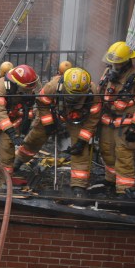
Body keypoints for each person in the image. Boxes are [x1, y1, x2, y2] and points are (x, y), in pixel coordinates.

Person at [19, 67, 101, 197]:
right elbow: (42, 103)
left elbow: (93, 119)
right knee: (35, 137)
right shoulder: (53, 86)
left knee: (80, 150)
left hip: (77, 118)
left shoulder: (93, 92)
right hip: (55, 114)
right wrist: (48, 124)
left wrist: (82, 140)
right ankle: (18, 161)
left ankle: (79, 186)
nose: (73, 98)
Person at [97, 41, 135, 197]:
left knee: (123, 155)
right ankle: (111, 180)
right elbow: (101, 92)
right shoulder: (108, 73)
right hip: (108, 121)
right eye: (113, 63)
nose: (114, 66)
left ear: (127, 62)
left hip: (126, 125)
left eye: (118, 64)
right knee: (107, 151)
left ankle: (124, 189)